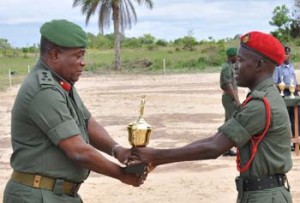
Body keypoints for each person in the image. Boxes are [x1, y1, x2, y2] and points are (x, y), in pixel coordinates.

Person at [131, 31, 293, 203]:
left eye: (241, 60)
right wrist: (157, 158)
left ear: (259, 65)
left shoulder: (260, 104)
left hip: (265, 196)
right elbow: (214, 139)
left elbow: (215, 148)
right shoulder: (262, 97)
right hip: (261, 192)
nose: (235, 66)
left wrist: (155, 156)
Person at [3, 19, 145, 203]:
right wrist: (122, 175)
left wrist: (117, 150)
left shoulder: (60, 83)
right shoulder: (44, 90)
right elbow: (78, 151)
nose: (83, 63)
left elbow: (87, 122)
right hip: (37, 195)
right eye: (78, 56)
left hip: (57, 194)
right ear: (54, 55)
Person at [273, 46, 299, 151]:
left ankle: (296, 141)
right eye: (284, 54)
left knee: (297, 118)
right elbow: (275, 83)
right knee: (287, 119)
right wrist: (288, 87)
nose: (286, 56)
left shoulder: (291, 66)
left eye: (287, 54)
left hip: (294, 93)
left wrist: (297, 86)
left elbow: (293, 80)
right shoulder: (278, 68)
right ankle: (287, 143)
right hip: (285, 93)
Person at [220, 47, 240, 156]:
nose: (237, 58)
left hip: (230, 96)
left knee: (228, 121)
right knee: (231, 122)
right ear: (232, 56)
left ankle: (225, 148)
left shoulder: (230, 66)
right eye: (236, 56)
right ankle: (224, 146)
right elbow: (228, 84)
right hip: (229, 97)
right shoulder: (227, 67)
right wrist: (236, 100)